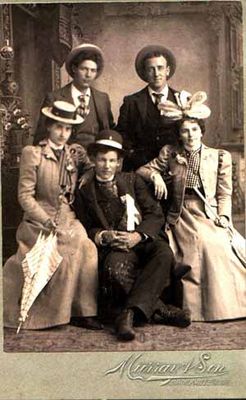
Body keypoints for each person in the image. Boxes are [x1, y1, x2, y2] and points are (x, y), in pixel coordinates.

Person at [137, 92, 246, 321]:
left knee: (232, 244)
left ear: (201, 131)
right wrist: (155, 177)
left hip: (209, 211)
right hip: (182, 214)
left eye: (194, 130)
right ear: (179, 133)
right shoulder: (171, 154)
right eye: (185, 130)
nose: (190, 135)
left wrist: (225, 217)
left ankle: (232, 306)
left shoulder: (218, 157)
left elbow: (224, 194)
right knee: (204, 243)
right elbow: (143, 170)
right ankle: (200, 310)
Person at [73, 129, 191, 341]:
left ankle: (127, 314)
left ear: (119, 162)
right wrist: (103, 236)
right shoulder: (85, 190)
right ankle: (160, 309)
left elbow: (155, 214)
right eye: (101, 160)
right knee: (114, 269)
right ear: (94, 160)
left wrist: (138, 235)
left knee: (164, 253)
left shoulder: (133, 180)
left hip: (140, 240)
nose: (107, 166)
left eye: (112, 161)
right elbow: (86, 226)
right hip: (116, 246)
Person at [3, 100, 102, 330]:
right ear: (48, 127)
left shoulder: (73, 154)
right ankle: (49, 314)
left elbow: (90, 167)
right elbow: (25, 196)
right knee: (60, 251)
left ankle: (84, 311)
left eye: (67, 129)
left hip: (67, 217)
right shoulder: (33, 154)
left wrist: (86, 173)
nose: (62, 133)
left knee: (87, 246)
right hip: (39, 220)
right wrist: (45, 220)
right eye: (58, 127)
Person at [117, 44, 190, 171]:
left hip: (174, 167)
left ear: (167, 71)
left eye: (160, 68)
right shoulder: (131, 102)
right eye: (151, 69)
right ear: (145, 73)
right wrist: (133, 155)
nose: (156, 74)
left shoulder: (182, 100)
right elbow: (122, 134)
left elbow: (191, 133)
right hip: (138, 168)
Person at [34, 43, 115, 148]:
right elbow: (41, 136)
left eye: (93, 70)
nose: (88, 75)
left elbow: (109, 132)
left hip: (96, 158)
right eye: (84, 69)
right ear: (74, 69)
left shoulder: (102, 99)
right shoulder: (54, 97)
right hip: (65, 158)